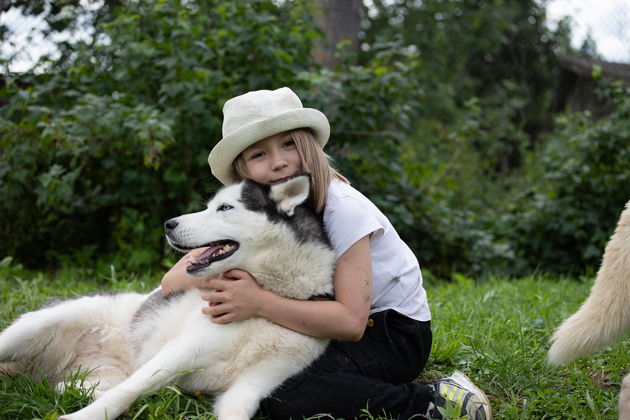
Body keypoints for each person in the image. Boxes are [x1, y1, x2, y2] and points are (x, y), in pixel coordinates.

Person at [161, 87, 491, 420]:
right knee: (250, 370)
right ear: (242, 174)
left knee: (278, 389)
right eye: (258, 155)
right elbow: (172, 283)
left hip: (391, 333)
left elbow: (351, 323)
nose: (279, 162)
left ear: (309, 145)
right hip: (315, 317)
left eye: (289, 144)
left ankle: (435, 403)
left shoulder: (342, 208)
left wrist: (257, 301)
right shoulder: (254, 216)